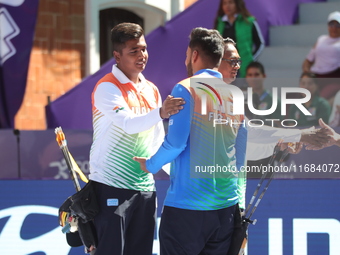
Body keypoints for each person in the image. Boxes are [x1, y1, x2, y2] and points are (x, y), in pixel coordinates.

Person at [134, 27, 247, 254]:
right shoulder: (235, 95)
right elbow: (240, 153)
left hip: (188, 210)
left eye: (187, 54)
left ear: (195, 55)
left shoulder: (185, 88)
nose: (186, 59)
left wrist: (151, 164)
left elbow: (176, 144)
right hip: (226, 208)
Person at [88, 22, 184, 255]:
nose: (142, 55)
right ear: (117, 56)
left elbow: (158, 140)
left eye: (143, 48)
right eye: (134, 51)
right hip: (111, 187)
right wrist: (161, 112)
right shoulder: (106, 87)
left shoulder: (151, 89)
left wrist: (180, 177)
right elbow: (129, 125)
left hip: (144, 190)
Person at [214, 0, 264, 78]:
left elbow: (260, 43)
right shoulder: (220, 22)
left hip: (244, 65)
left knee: (242, 89)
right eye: (225, 3)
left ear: (237, 4)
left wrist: (251, 59)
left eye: (231, 2)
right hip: (224, 66)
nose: (227, 6)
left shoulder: (249, 21)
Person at [302, 11, 340, 102]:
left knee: (320, 100)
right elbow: (308, 60)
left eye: (337, 25)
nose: (334, 28)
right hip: (316, 77)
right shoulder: (321, 39)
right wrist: (307, 72)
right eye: (331, 24)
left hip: (333, 78)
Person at [245, 61, 281, 126]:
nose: (253, 78)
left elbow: (278, 126)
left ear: (264, 76)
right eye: (250, 75)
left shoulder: (274, 100)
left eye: (256, 75)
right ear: (246, 78)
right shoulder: (243, 100)